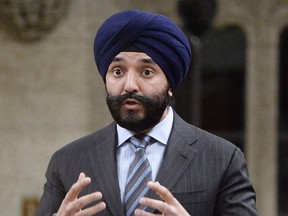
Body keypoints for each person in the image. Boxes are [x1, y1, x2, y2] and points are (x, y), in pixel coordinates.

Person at [36, 10, 258, 216]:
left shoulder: (222, 159)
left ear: (170, 84)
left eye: (147, 72)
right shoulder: (66, 161)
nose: (130, 85)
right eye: (117, 71)